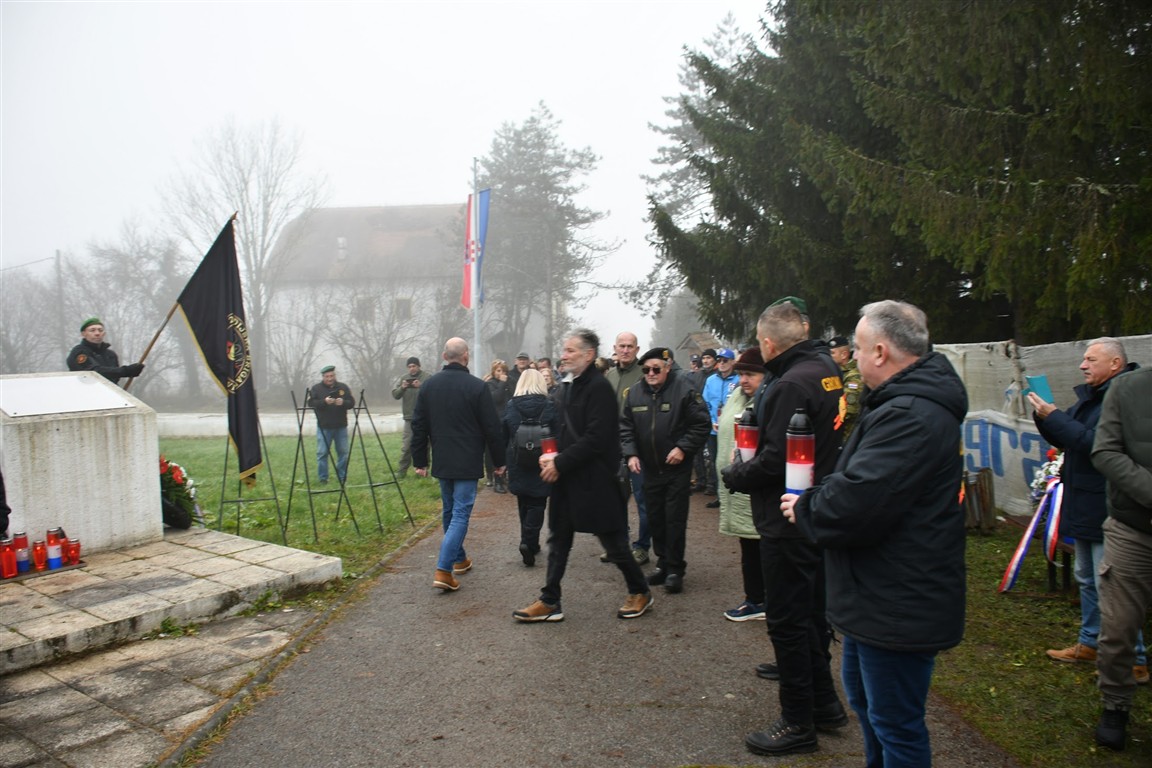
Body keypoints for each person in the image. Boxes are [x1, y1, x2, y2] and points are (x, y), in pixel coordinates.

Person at [782, 300, 968, 767]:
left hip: (898, 599)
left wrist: (807, 507)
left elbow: (860, 501)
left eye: (860, 349)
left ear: (881, 352)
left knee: (895, 725)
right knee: (870, 709)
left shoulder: (911, 414)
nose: (854, 358)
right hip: (876, 594)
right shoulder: (898, 404)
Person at [721, 302, 846, 757]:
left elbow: (775, 458)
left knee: (788, 621)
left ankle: (797, 722)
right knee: (810, 616)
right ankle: (825, 705)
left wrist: (735, 475)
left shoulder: (791, 383)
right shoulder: (826, 369)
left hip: (787, 518)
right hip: (813, 510)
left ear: (769, 344)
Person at [513, 329, 653, 622]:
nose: (563, 356)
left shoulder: (599, 388)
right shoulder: (570, 385)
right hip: (568, 479)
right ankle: (550, 600)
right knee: (558, 539)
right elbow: (568, 431)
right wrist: (552, 454)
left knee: (613, 542)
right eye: (564, 350)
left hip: (596, 482)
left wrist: (560, 462)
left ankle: (640, 591)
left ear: (588, 355)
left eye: (570, 351)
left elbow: (596, 438)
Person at [1027, 338, 1145, 681]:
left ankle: (1134, 659)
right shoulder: (1091, 398)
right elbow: (1067, 438)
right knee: (1087, 579)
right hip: (1083, 501)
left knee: (1114, 586)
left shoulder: (1122, 398)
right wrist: (1045, 417)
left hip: (1108, 505)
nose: (1082, 365)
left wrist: (1055, 417)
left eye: (1091, 359)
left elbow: (1095, 445)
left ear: (1115, 364)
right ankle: (1090, 641)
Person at [411, 338, 506, 592]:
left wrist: (420, 460)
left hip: (443, 458)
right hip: (467, 459)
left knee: (450, 510)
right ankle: (443, 570)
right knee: (460, 513)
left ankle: (459, 559)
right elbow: (492, 427)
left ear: (445, 356)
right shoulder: (477, 387)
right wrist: (499, 461)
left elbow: (419, 425)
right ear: (466, 357)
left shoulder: (429, 386)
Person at [1091, 364, 1152, 751]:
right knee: (1119, 628)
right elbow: (1105, 451)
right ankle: (1115, 704)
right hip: (1134, 530)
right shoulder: (1127, 388)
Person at [620, 347, 710, 594]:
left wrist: (682, 448)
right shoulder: (635, 393)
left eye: (655, 369)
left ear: (667, 368)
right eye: (646, 369)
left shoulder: (684, 389)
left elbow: (701, 424)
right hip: (649, 468)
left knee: (674, 518)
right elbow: (626, 427)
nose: (650, 373)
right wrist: (631, 453)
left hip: (676, 469)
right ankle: (662, 563)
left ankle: (675, 570)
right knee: (655, 517)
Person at [717, 347, 768, 621]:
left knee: (760, 546)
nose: (744, 379)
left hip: (755, 486)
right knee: (749, 546)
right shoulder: (738, 396)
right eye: (741, 374)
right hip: (737, 486)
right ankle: (756, 598)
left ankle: (760, 601)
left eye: (751, 374)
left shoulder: (768, 400)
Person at [502, 368, 557, 567]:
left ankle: (528, 542)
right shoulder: (549, 405)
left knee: (523, 501)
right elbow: (557, 432)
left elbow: (505, 432)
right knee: (537, 503)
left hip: (517, 459)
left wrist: (501, 461)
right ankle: (529, 541)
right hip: (544, 459)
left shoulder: (511, 406)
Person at [604, 331, 651, 564]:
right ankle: (619, 545)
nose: (625, 350)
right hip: (612, 449)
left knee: (643, 499)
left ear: (637, 349)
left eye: (629, 346)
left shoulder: (645, 374)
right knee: (614, 500)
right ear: (615, 348)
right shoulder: (610, 375)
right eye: (621, 346)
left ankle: (642, 546)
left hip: (639, 449)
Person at [702, 348, 739, 506]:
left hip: (732, 431)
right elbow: (705, 403)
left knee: (731, 461)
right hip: (714, 430)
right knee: (716, 462)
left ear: (732, 362)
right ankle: (720, 496)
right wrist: (711, 420)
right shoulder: (711, 380)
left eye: (725, 360)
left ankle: (734, 496)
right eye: (720, 360)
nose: (722, 363)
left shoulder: (738, 380)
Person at [307, 365, 355, 485]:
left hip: (341, 426)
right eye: (327, 376)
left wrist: (343, 402)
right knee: (322, 453)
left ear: (335, 375)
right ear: (323, 377)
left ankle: (342, 477)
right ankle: (323, 478)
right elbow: (311, 403)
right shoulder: (316, 389)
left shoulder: (343, 387)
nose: (329, 379)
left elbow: (351, 403)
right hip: (324, 427)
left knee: (343, 453)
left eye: (331, 376)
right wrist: (324, 402)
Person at [66, 317, 144, 385]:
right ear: (84, 334)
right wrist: (126, 371)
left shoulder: (110, 355)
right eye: (92, 330)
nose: (97, 333)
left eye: (100, 330)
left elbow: (114, 378)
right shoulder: (79, 352)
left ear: (104, 333)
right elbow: (93, 373)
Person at [391, 356, 431, 479]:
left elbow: (434, 392)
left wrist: (421, 386)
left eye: (414, 366)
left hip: (424, 416)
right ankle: (402, 471)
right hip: (409, 417)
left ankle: (423, 470)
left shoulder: (427, 377)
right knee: (406, 446)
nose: (412, 369)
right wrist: (402, 387)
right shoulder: (404, 378)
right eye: (409, 367)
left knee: (424, 445)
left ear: (419, 366)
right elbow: (395, 395)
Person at [689, 349, 717, 493]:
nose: (706, 361)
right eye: (704, 358)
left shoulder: (717, 375)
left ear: (714, 360)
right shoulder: (697, 375)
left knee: (712, 454)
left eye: (709, 358)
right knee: (697, 452)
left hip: (713, 419)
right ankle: (701, 480)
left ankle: (712, 483)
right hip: (697, 418)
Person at [483, 360, 512, 493]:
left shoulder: (508, 383)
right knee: (496, 451)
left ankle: (505, 476)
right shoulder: (490, 384)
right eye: (498, 370)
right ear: (494, 372)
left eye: (503, 371)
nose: (501, 373)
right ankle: (497, 480)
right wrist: (502, 383)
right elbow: (496, 398)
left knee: (507, 450)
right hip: (496, 421)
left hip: (507, 420)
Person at [827, 336, 863, 441]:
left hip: (848, 435)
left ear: (844, 355)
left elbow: (848, 410)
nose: (829, 356)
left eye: (832, 353)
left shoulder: (853, 376)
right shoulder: (835, 371)